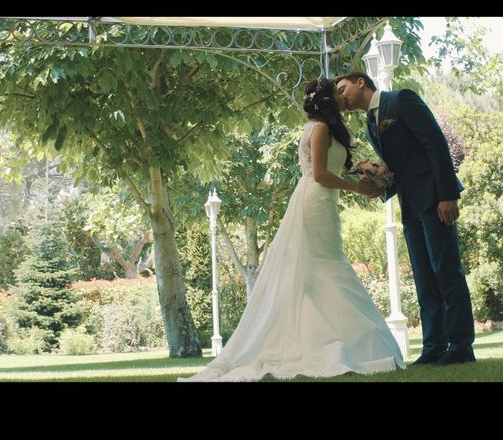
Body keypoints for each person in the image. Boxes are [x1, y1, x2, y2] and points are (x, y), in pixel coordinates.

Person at [177, 77, 405, 382]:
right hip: (316, 200)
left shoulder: (321, 127)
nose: (342, 96)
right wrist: (357, 188)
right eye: (336, 93)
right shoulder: (321, 128)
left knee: (319, 271)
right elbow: (321, 174)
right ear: (327, 99)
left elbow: (330, 168)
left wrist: (368, 172)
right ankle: (329, 344)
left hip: (321, 201)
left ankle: (323, 338)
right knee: (327, 267)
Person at [334, 72, 475, 366]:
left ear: (361, 82)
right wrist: (378, 178)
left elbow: (435, 144)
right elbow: (401, 164)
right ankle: (434, 347)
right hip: (410, 205)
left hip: (436, 199)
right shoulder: (371, 123)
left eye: (343, 88)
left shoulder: (401, 100)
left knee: (447, 272)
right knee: (424, 278)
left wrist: (448, 195)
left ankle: (461, 347)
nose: (341, 96)